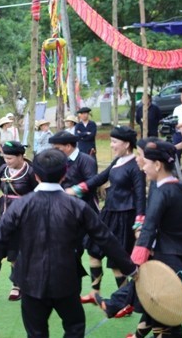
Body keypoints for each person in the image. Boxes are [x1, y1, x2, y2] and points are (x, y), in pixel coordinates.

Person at [0, 149, 137, 338]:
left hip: (29, 279)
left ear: (36, 174)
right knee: (74, 327)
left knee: (36, 333)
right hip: (66, 278)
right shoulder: (77, 206)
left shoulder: (20, 206)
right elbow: (106, 239)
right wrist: (131, 269)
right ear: (65, 173)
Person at [127, 141, 182, 338]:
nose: (143, 166)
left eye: (146, 162)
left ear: (157, 165)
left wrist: (137, 260)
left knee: (163, 300)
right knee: (171, 300)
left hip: (166, 254)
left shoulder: (161, 191)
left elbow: (150, 226)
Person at [67, 126, 145, 308]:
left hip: (125, 216)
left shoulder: (135, 166)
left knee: (117, 260)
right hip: (109, 212)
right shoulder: (118, 160)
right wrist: (75, 190)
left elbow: (141, 194)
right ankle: (95, 292)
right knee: (93, 250)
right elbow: (99, 178)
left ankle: (126, 302)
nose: (111, 145)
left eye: (114, 142)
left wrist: (139, 222)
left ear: (126, 144)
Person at [0, 141, 37, 301]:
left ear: (21, 156)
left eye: (10, 158)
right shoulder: (3, 170)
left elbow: (38, 195)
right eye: (5, 158)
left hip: (23, 219)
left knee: (15, 253)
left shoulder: (30, 172)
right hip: (4, 216)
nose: (7, 161)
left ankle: (17, 285)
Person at [49, 131, 98, 212]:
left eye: (57, 148)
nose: (54, 151)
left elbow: (92, 183)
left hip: (84, 208)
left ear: (68, 146)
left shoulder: (86, 160)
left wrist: (74, 191)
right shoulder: (58, 161)